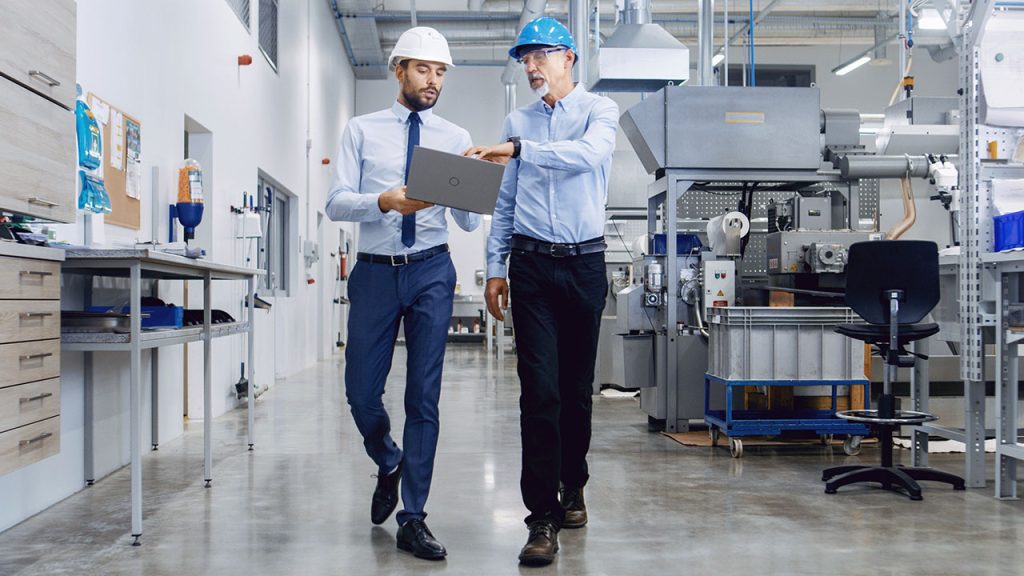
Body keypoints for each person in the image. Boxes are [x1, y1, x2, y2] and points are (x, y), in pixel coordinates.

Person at [464, 16, 618, 567]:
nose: (530, 67)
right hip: (530, 266)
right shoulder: (517, 121)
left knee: (576, 392)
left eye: (540, 56)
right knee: (540, 393)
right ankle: (541, 517)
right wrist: (494, 266)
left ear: (568, 58)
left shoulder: (600, 111)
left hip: (584, 265)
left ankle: (573, 484)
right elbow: (505, 202)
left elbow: (588, 157)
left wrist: (519, 149)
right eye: (524, 59)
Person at [325, 26, 479, 561]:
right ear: (399, 70)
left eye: (440, 72)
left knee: (423, 397)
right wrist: (384, 202)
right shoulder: (361, 131)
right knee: (361, 393)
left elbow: (465, 221)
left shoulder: (456, 136)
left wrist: (479, 183)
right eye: (423, 69)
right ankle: (388, 460)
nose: (432, 80)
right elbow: (336, 202)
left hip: (433, 269)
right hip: (374, 271)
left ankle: (413, 517)